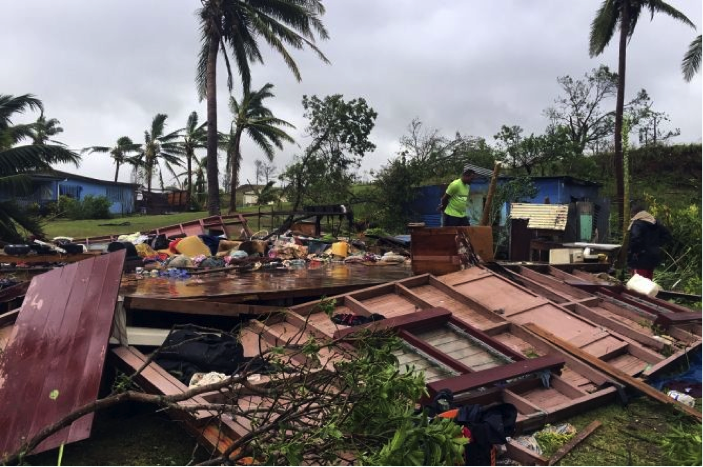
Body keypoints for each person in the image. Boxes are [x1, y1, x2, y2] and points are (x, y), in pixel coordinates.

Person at [627, 202, 672, 280]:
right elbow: (667, 235)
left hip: (640, 259)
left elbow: (635, 239)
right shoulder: (655, 222)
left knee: (637, 284)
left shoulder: (637, 224)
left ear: (635, 213)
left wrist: (634, 252)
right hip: (653, 257)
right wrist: (656, 245)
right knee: (648, 283)